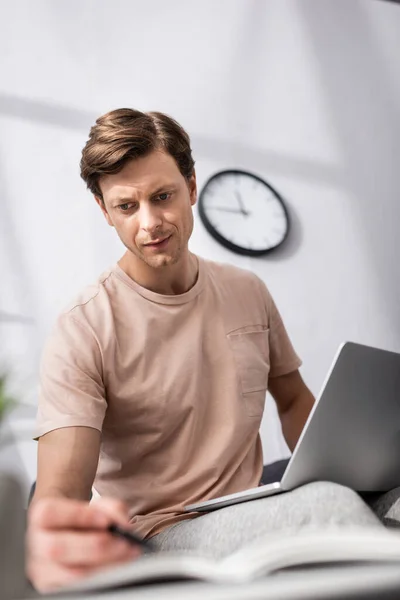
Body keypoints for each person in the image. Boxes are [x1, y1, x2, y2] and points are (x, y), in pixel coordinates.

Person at [27, 108, 400, 593]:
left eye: (163, 197)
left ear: (192, 186)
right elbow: (62, 493)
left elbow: (291, 400)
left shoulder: (247, 290)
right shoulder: (85, 327)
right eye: (126, 207)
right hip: (161, 532)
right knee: (327, 509)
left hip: (256, 499)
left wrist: (360, 459)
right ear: (105, 211)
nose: (150, 223)